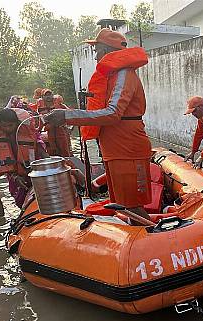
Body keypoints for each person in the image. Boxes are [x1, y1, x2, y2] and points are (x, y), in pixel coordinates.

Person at [44, 28, 152, 224]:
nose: (95, 56)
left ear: (107, 51)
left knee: (133, 207)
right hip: (115, 149)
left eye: (97, 50)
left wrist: (67, 116)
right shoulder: (113, 76)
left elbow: (113, 113)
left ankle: (153, 242)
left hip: (128, 149)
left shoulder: (124, 74)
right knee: (123, 204)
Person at [0, 108, 47, 208]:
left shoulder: (28, 132)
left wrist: (49, 162)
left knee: (41, 197)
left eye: (11, 125)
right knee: (20, 201)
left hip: (33, 172)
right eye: (4, 126)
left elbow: (39, 147)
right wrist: (15, 177)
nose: (8, 128)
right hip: (13, 175)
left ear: (17, 123)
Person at [36, 89, 72, 157]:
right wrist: (37, 131)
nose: (48, 97)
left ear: (52, 95)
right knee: (53, 151)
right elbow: (41, 122)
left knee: (65, 151)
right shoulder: (40, 108)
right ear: (42, 97)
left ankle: (68, 164)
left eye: (49, 94)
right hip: (50, 133)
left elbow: (70, 115)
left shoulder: (61, 105)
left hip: (61, 131)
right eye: (46, 95)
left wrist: (69, 127)